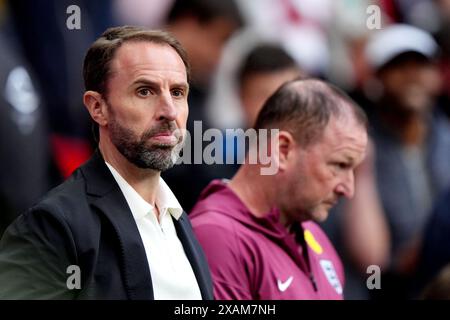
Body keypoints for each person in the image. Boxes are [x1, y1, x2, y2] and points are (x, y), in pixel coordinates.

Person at [0, 26, 213, 300]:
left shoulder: (180, 218)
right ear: (97, 107)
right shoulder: (52, 227)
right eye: (145, 91)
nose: (169, 111)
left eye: (177, 92)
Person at [190, 78, 369, 299]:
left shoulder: (314, 236)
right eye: (340, 165)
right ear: (283, 150)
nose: (348, 189)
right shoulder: (218, 237)